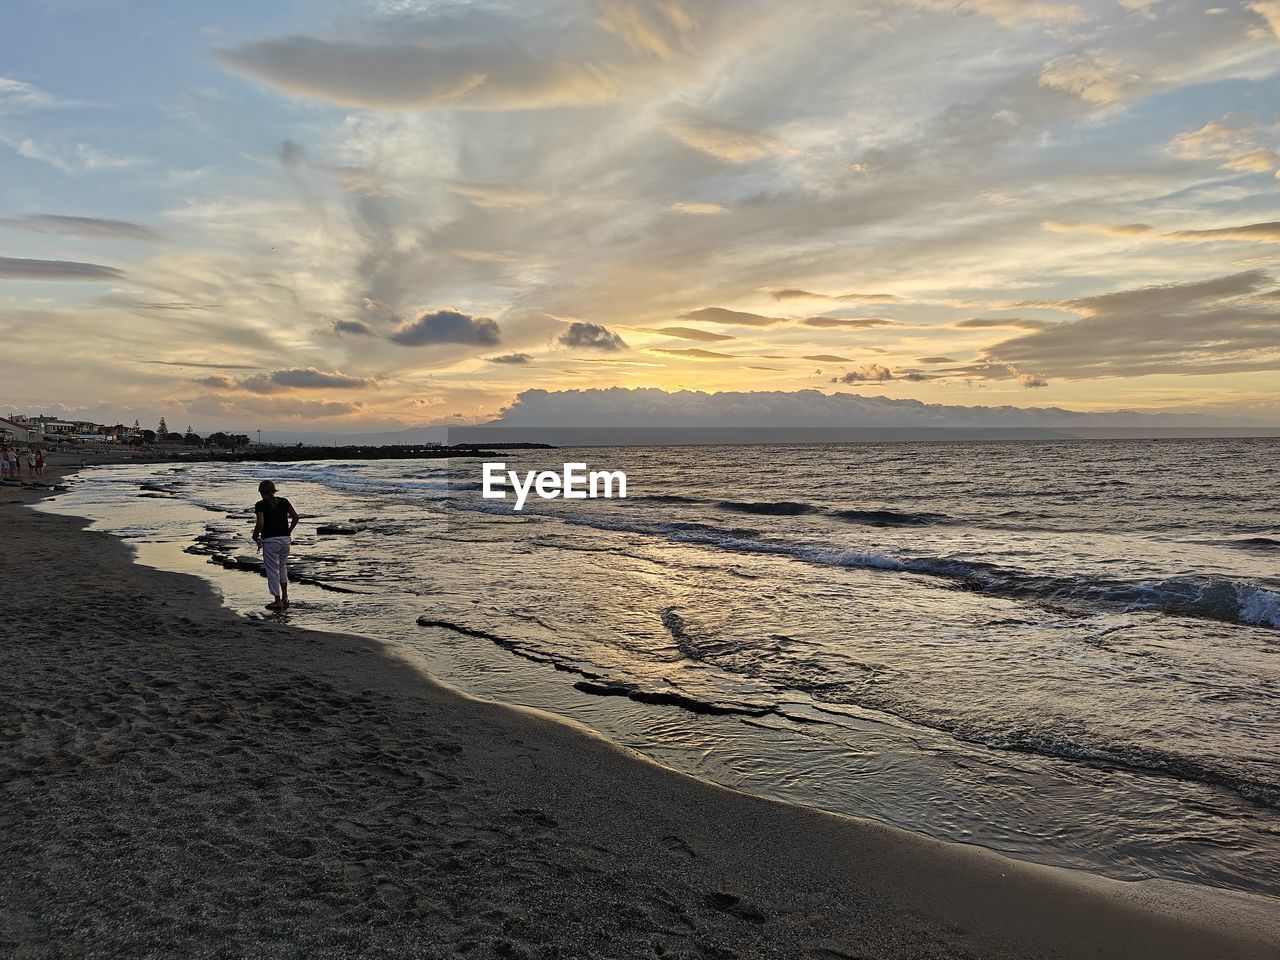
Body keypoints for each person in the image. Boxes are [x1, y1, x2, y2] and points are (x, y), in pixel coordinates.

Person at [252, 480, 299, 611]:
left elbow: (260, 524)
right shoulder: (284, 501)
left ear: (261, 493)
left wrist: (255, 536)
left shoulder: (260, 505)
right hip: (285, 540)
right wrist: (288, 531)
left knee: (272, 571)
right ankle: (285, 597)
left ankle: (277, 601)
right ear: (274, 490)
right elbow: (295, 517)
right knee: (282, 567)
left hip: (270, 541)